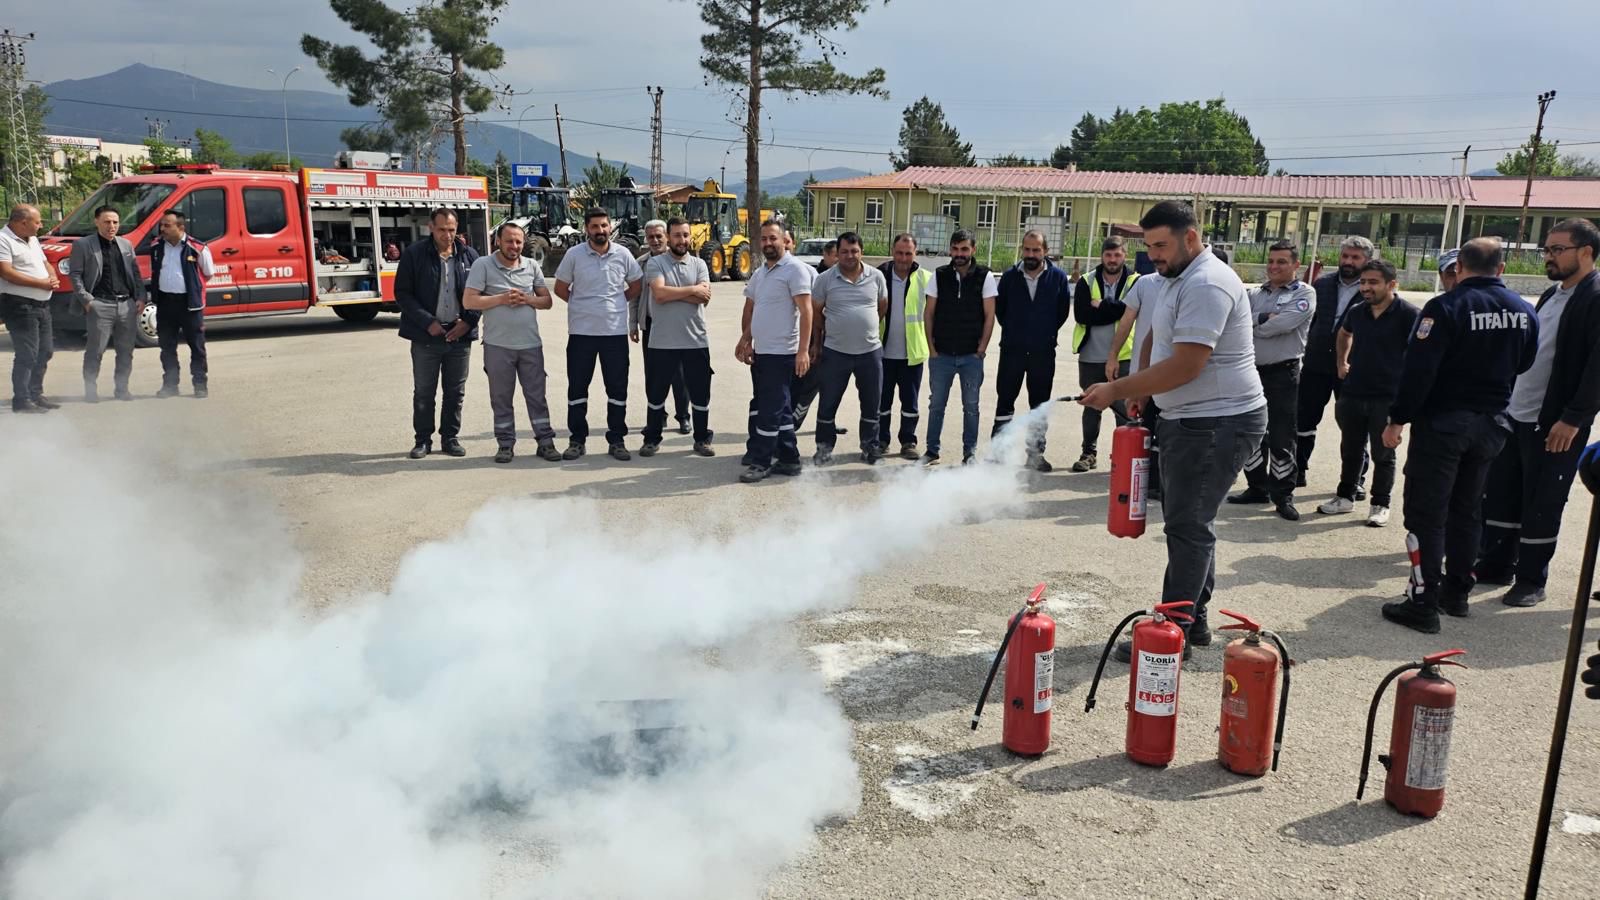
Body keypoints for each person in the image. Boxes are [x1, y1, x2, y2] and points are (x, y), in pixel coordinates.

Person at [1080, 200, 1266, 661]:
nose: (1154, 256)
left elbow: (1186, 365)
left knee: (1188, 525)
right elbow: (1154, 337)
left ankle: (1174, 634)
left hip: (1217, 422)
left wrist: (1117, 388)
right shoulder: (1172, 278)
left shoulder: (1207, 283)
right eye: (1149, 247)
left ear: (1191, 237)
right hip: (1190, 419)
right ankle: (1193, 619)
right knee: (1192, 521)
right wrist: (1142, 388)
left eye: (1161, 246)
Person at [1380, 237, 1538, 632]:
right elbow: (1525, 362)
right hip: (1492, 425)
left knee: (1426, 514)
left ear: (1460, 268)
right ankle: (1457, 594)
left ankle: (1422, 602)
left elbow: (1419, 371)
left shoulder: (1445, 307)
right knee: (1467, 511)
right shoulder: (1523, 310)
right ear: (1501, 269)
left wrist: (1397, 418)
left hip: (1444, 425)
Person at [1477, 218, 1600, 607]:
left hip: (1556, 423)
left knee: (1542, 501)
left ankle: (1531, 579)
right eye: (1547, 249)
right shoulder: (1552, 294)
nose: (1548, 256)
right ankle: (1496, 564)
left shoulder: (1595, 297)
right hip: (1518, 414)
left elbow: (1597, 367)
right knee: (1503, 493)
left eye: (1557, 250)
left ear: (1586, 252)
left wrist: (1573, 418)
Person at [1318, 259, 1417, 526]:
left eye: (1373, 282)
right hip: (1353, 392)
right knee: (1350, 449)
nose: (1365, 287)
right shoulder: (1357, 311)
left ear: (1392, 284)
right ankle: (1345, 497)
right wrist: (1341, 363)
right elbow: (1343, 334)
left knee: (1383, 453)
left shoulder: (1409, 314)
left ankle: (1380, 504)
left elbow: (1421, 354)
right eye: (1363, 282)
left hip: (1386, 396)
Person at [1229, 240, 1315, 520]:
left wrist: (1255, 324)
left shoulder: (1304, 293)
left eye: (1281, 262)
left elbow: (1284, 324)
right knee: (1250, 431)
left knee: (1282, 435)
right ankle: (1257, 487)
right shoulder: (1254, 293)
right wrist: (1265, 317)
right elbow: (1236, 321)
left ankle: (1283, 495)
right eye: (1271, 261)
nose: (1274, 267)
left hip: (1283, 373)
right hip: (1251, 372)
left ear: (1296, 265)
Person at [464, 221, 559, 464]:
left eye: (518, 241)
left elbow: (547, 301)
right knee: (501, 398)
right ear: (498, 241)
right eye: (509, 241)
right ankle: (505, 444)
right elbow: (469, 301)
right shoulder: (483, 265)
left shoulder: (531, 266)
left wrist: (527, 299)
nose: (514, 246)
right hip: (498, 345)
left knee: (537, 397)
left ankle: (545, 442)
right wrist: (501, 299)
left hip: (530, 345)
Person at [555, 208, 643, 461]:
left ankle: (617, 440)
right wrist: (581, 305)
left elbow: (636, 285)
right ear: (587, 229)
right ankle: (577, 440)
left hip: (614, 334)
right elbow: (560, 288)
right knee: (577, 388)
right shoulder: (574, 255)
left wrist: (617, 301)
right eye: (595, 226)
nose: (600, 230)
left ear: (610, 227)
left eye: (604, 225)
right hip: (581, 334)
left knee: (617, 389)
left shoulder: (623, 254)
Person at [395, 207, 480, 458]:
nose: (447, 235)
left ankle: (450, 438)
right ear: (430, 227)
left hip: (459, 336)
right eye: (442, 229)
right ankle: (423, 440)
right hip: (426, 337)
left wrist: (468, 321)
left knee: (455, 392)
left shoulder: (470, 256)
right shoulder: (414, 255)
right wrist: (427, 322)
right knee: (424, 392)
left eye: (451, 229)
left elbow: (481, 293)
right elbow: (403, 294)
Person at [736, 219, 813, 482]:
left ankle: (761, 462)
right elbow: (756, 310)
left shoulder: (795, 270)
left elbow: (806, 311)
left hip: (783, 353)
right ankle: (790, 460)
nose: (768, 243)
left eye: (773, 238)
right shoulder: (761, 273)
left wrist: (803, 351)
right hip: (763, 352)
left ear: (783, 240)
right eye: (764, 238)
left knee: (770, 410)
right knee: (780, 408)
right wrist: (745, 340)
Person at [1298, 235, 1376, 491]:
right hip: (1316, 363)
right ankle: (1297, 470)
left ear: (1367, 260)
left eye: (1355, 257)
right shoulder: (1322, 285)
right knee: (1304, 419)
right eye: (1345, 256)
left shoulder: (1372, 290)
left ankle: (1356, 480)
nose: (1348, 262)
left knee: (1355, 425)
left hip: (1353, 368)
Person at [992, 229, 1070, 469]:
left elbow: (1062, 312)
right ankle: (998, 453)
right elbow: (1001, 312)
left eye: (1036, 250)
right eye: (1027, 249)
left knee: (1039, 406)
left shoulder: (1058, 278)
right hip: (1012, 351)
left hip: (1042, 353)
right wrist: (1017, 333)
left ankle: (1035, 455)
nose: (1031, 254)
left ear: (1045, 251)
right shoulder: (1009, 278)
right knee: (1005, 402)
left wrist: (1043, 334)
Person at [640, 217, 716, 458]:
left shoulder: (700, 264)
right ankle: (652, 439)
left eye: (685, 235)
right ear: (668, 237)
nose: (682, 240)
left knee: (700, 394)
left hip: (695, 341)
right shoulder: (655, 263)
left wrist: (673, 292)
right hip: (662, 342)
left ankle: (702, 439)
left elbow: (704, 298)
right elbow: (659, 295)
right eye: (677, 235)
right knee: (656, 394)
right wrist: (692, 290)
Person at [810, 231, 888, 465]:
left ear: (861, 252)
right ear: (837, 253)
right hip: (835, 352)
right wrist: (819, 342)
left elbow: (882, 306)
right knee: (828, 403)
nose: (849, 256)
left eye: (854, 251)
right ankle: (824, 448)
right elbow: (816, 313)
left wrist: (864, 326)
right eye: (844, 252)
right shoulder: (825, 279)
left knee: (872, 404)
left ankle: (870, 446)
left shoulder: (876, 277)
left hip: (870, 352)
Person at [922, 230, 995, 466]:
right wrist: (932, 350)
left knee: (971, 407)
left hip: (971, 356)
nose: (959, 254)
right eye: (955, 249)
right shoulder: (939, 275)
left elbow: (990, 315)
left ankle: (969, 454)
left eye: (964, 249)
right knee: (936, 405)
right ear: (950, 250)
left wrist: (981, 349)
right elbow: (929, 313)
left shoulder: (984, 276)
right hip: (941, 355)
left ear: (973, 249)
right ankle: (931, 451)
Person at [1068, 236, 1139, 472]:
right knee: (1091, 406)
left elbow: (1131, 311)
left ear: (1125, 255)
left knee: (1124, 407)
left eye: (1117, 255)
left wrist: (1101, 305)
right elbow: (1082, 315)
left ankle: (1123, 456)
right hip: (1091, 356)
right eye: (1108, 255)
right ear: (1102, 256)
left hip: (1124, 356)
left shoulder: (1136, 281)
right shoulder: (1086, 281)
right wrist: (1116, 309)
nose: (1112, 259)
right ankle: (1088, 453)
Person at [71, 205, 145, 402]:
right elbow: (75, 274)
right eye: (107, 222)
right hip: (100, 305)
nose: (111, 226)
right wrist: (87, 300)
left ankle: (122, 389)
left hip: (126, 305)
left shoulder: (126, 245)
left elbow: (136, 274)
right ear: (96, 222)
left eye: (115, 222)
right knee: (95, 351)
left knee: (126, 351)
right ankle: (90, 390)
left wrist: (140, 297)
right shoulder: (83, 245)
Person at [1105, 272, 1166, 501]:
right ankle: (1146, 481)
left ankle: (1164, 482)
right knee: (1145, 427)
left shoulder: (1191, 282)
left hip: (1174, 373)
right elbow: (1126, 321)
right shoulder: (1145, 283)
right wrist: (1113, 355)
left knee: (1169, 430)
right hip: (1144, 372)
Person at [631, 220, 691, 436]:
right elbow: (635, 297)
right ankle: (658, 416)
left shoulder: (679, 259)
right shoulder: (640, 264)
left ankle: (683, 416)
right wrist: (633, 324)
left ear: (667, 236)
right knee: (653, 374)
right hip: (651, 326)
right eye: (651, 237)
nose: (655, 241)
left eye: (659, 236)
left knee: (679, 375)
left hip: (676, 326)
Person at [149, 210, 215, 399]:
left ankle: (200, 384)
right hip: (165, 303)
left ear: (180, 227)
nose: (162, 229)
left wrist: (192, 289)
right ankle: (170, 385)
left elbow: (208, 273)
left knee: (197, 347)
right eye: (161, 225)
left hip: (189, 305)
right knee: (167, 347)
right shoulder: (156, 246)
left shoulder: (197, 248)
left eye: (167, 225)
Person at [0, 204, 60, 412]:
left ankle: (35, 393)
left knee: (45, 351)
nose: (41, 225)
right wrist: (40, 284)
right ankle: (21, 400)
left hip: (42, 305)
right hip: (19, 306)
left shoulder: (32, 239)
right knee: (27, 354)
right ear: (23, 222)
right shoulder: (3, 240)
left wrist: (51, 276)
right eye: (37, 222)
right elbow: (6, 272)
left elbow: (45, 263)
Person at [876, 234, 930, 459]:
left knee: (910, 402)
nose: (903, 258)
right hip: (882, 353)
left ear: (915, 253)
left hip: (912, 353)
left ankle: (908, 441)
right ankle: (881, 440)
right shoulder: (879, 276)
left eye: (908, 253)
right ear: (892, 251)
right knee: (882, 402)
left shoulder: (926, 278)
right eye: (899, 252)